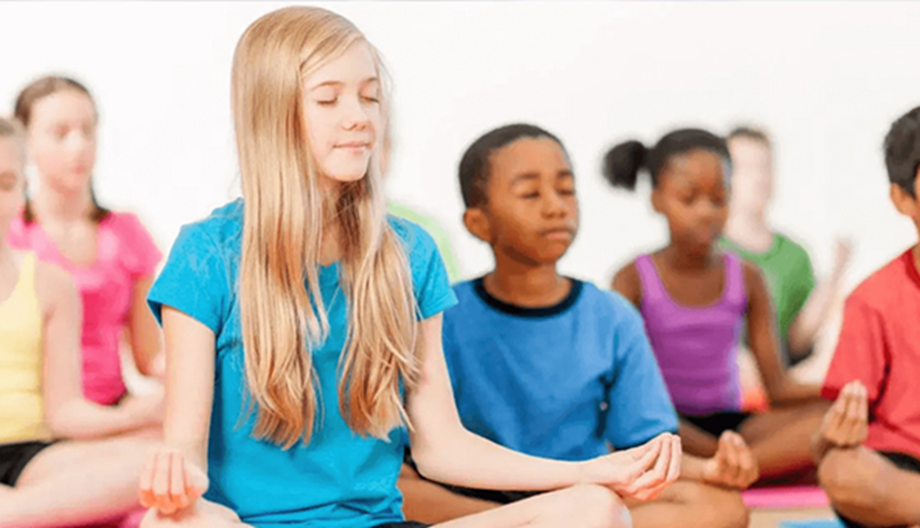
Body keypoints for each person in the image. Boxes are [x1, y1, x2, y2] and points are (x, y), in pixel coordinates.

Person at [138, 7, 682, 528]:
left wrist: (589, 472)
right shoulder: (206, 255)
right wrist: (177, 481)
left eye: (370, 96)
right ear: (271, 114)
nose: (360, 117)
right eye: (328, 99)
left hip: (376, 524)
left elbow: (441, 447)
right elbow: (185, 451)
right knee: (167, 523)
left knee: (594, 509)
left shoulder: (409, 253)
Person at [398, 123, 755, 528]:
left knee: (721, 507)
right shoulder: (441, 317)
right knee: (395, 488)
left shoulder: (612, 316)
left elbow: (645, 449)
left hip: (587, 495)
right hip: (477, 501)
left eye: (565, 189)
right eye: (530, 193)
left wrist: (710, 469)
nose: (556, 206)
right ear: (478, 222)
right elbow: (413, 456)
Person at [607, 128, 828, 479]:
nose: (706, 212)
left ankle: (728, 468)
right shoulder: (631, 280)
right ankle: (737, 466)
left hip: (732, 425)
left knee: (830, 419)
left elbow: (778, 387)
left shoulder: (748, 277)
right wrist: (712, 448)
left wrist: (844, 392)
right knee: (633, 431)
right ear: (657, 199)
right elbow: (628, 396)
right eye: (689, 199)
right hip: (665, 424)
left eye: (719, 199)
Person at [0, 116, 159, 528]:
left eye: (5, 184)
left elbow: (64, 410)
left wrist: (142, 416)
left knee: (161, 459)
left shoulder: (52, 284)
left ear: (23, 190)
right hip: (34, 476)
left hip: (30, 455)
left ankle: (12, 513)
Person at [9, 76, 165, 409]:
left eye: (88, 130)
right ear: (24, 144)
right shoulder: (9, 235)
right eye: (60, 133)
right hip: (35, 417)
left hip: (113, 407)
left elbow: (149, 358)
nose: (79, 146)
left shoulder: (127, 232)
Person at [814, 105, 920, 528]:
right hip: (903, 467)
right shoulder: (871, 300)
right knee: (842, 471)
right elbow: (837, 436)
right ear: (903, 199)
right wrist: (834, 437)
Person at [720, 126, 850, 367]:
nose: (759, 177)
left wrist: (835, 275)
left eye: (765, 166)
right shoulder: (704, 251)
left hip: (777, 381)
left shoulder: (795, 255)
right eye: (746, 168)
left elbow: (797, 343)